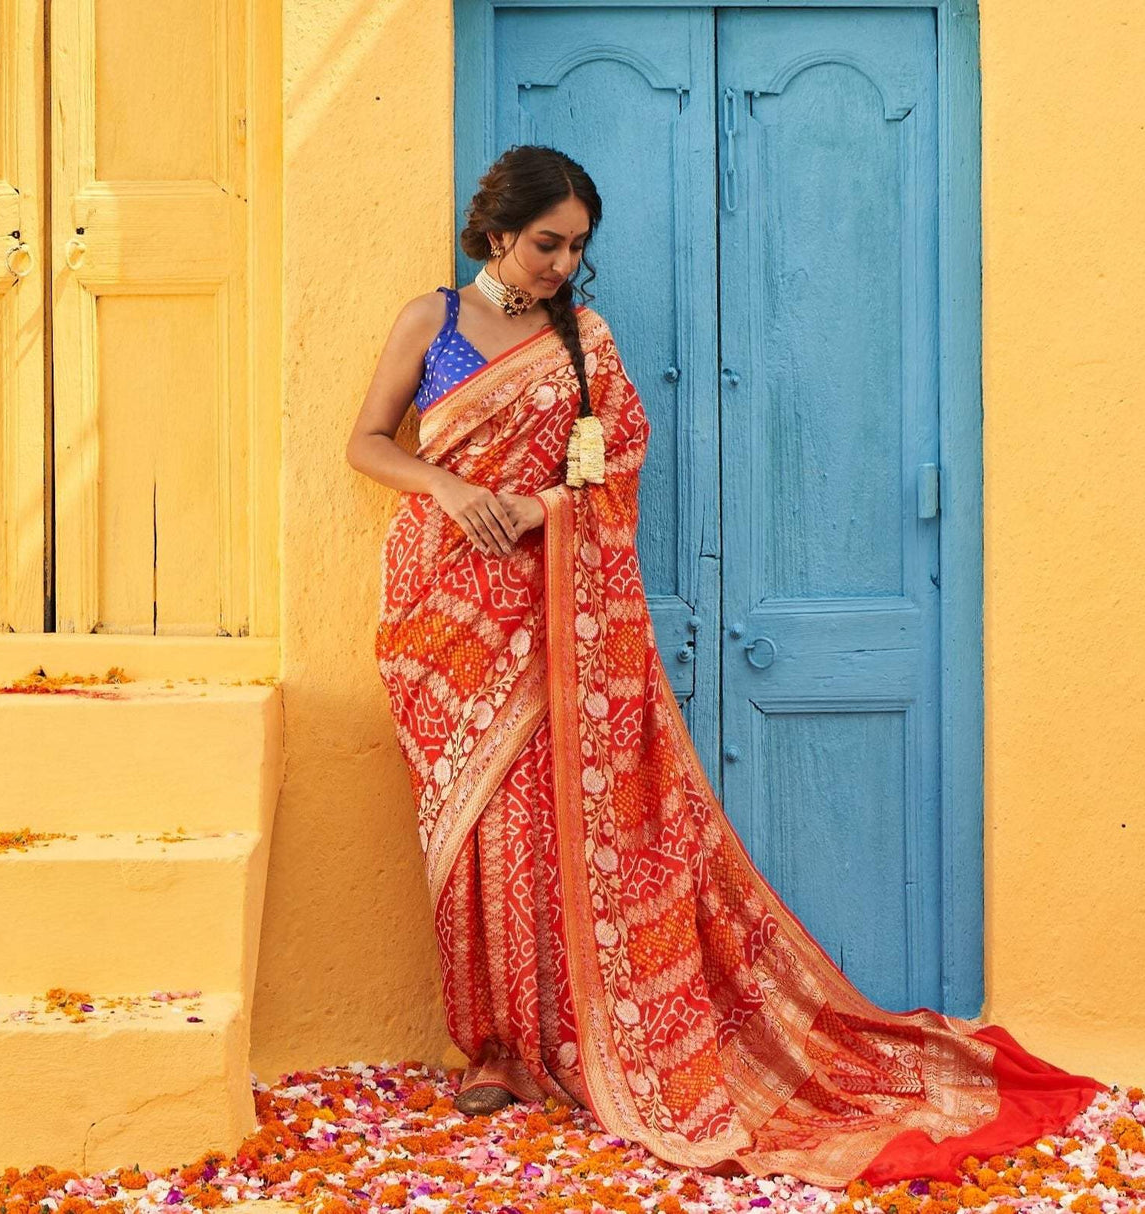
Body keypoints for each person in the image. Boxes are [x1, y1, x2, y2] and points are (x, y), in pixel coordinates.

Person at [344, 144, 1109, 1189]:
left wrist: (536, 507)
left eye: (576, 247)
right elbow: (366, 442)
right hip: (440, 618)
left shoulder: (583, 341)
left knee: (543, 828)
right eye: (545, 244)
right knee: (473, 837)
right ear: (494, 233)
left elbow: (614, 469)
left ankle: (560, 1041)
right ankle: (491, 1047)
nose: (561, 265)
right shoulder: (430, 323)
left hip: (553, 611)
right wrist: (444, 487)